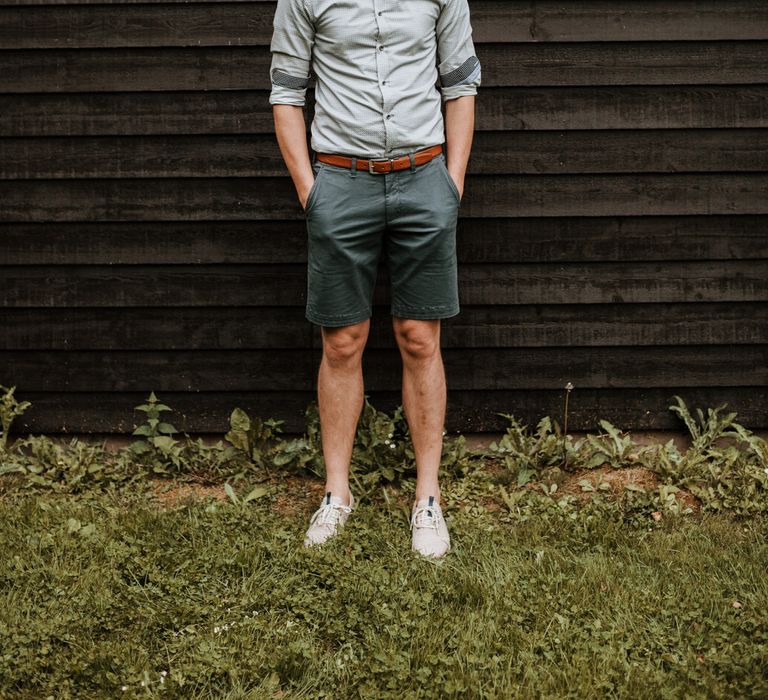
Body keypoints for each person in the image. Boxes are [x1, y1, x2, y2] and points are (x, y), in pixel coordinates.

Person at [269, 0, 480, 558]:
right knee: (342, 341)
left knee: (420, 337)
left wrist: (450, 187)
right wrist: (310, 194)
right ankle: (337, 494)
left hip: (423, 180)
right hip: (341, 182)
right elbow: (287, 93)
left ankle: (427, 498)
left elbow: (461, 83)